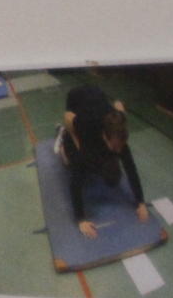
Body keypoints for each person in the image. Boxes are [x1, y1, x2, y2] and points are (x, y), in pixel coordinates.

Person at [56, 84, 149, 239]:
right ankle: (62, 137)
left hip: (99, 94)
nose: (119, 151)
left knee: (112, 178)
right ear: (105, 137)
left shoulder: (119, 123)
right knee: (74, 162)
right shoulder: (86, 125)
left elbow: (130, 168)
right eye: (115, 147)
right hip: (76, 99)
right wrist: (81, 219)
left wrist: (140, 202)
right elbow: (68, 117)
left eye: (120, 147)